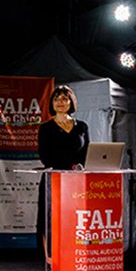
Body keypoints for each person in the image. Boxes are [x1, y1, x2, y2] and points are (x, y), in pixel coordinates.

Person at [37, 85, 90, 252]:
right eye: (56, 99)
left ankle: (73, 255)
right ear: (52, 103)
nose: (60, 102)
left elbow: (87, 153)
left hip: (77, 181)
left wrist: (78, 168)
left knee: (74, 219)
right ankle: (50, 258)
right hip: (54, 180)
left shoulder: (82, 126)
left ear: (71, 102)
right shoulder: (45, 127)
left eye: (64, 99)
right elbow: (45, 156)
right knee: (50, 219)